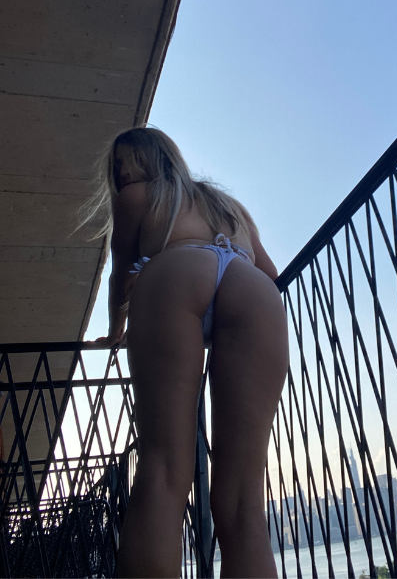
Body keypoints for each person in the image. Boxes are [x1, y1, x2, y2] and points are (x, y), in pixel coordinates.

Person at [79, 126, 287, 577]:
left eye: (125, 162)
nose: (121, 173)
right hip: (252, 289)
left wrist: (116, 331)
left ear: (151, 159)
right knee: (244, 495)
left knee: (164, 469)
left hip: (176, 274)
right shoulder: (227, 205)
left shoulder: (138, 198)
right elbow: (270, 273)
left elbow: (120, 273)